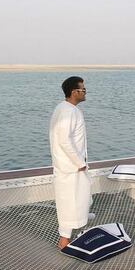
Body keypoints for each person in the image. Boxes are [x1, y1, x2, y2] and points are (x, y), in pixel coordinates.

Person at [49, 76, 94, 249]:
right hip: (70, 166)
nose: (85, 93)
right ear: (74, 92)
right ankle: (64, 241)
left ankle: (82, 216)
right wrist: (79, 163)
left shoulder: (64, 108)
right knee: (68, 201)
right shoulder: (68, 112)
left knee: (82, 194)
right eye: (83, 90)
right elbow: (63, 140)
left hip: (70, 164)